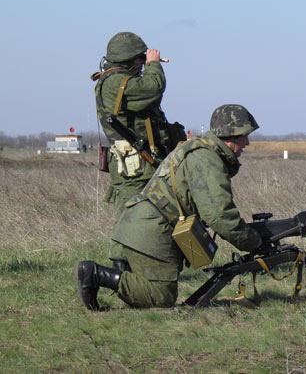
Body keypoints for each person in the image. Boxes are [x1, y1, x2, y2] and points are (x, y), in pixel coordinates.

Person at [75, 104, 262, 310]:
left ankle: (109, 276)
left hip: (136, 225)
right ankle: (95, 274)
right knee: (161, 296)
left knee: (150, 289)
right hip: (150, 230)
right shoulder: (207, 159)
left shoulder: (198, 150)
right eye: (245, 135)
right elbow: (220, 216)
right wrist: (252, 241)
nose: (247, 142)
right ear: (230, 136)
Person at [91, 31, 185, 218]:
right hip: (135, 170)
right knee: (131, 221)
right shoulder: (114, 82)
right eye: (139, 60)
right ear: (127, 60)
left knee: (153, 219)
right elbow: (153, 89)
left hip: (144, 165)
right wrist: (153, 65)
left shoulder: (119, 80)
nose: (141, 64)